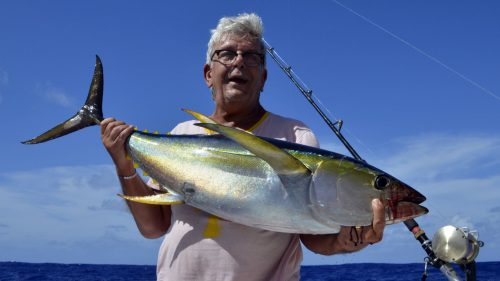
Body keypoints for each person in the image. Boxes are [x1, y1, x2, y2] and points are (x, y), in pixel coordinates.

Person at [101, 13, 385, 281]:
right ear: (208, 74)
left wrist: (344, 241)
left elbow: (311, 234)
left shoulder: (294, 136)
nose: (239, 62)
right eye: (227, 54)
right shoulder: (182, 133)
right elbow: (153, 227)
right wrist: (124, 164)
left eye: (252, 57)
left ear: (262, 77)